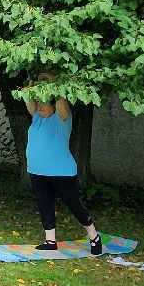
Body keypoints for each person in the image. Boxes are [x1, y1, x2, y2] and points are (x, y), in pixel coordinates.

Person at [24, 73, 103, 255]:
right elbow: (28, 100)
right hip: (37, 171)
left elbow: (62, 102)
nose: (39, 105)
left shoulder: (61, 118)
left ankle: (94, 237)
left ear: (53, 104)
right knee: (44, 204)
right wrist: (31, 81)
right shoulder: (37, 118)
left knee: (74, 205)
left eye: (44, 103)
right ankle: (50, 241)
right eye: (39, 102)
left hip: (61, 173)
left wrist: (53, 81)